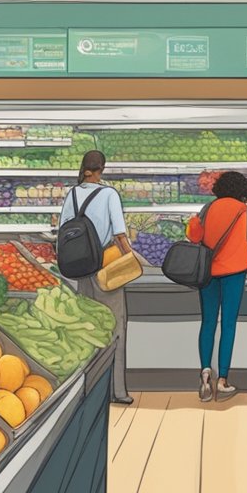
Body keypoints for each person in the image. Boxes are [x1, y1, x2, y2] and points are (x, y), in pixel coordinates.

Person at [59, 150, 135, 405]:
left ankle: (88, 388)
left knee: (86, 328)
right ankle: (117, 390)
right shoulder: (109, 194)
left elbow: (62, 229)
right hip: (107, 268)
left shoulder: (72, 194)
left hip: (81, 269)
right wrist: (132, 258)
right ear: (102, 168)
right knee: (114, 329)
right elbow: (120, 234)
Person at [185, 171, 247, 402]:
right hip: (234, 271)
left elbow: (195, 236)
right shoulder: (241, 209)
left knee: (208, 322)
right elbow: (243, 238)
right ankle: (222, 381)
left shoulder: (209, 208)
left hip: (209, 272)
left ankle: (205, 374)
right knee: (228, 325)